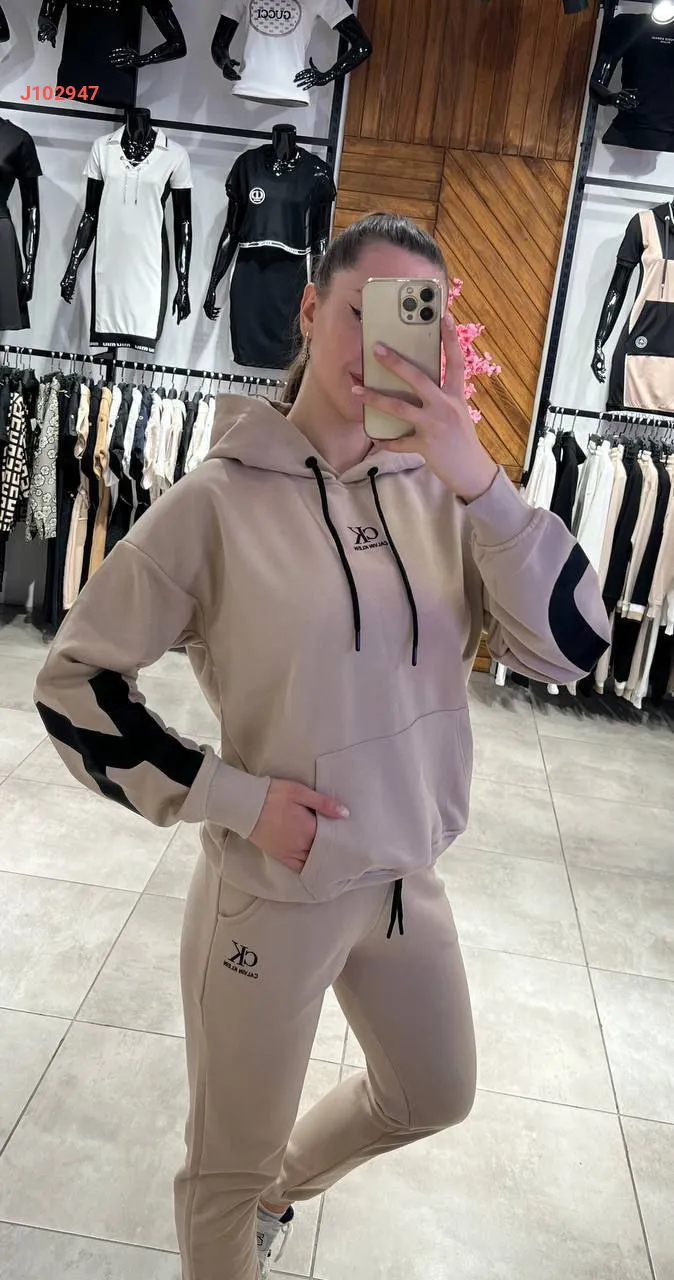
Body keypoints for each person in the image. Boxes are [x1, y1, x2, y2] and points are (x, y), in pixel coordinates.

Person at [34, 213, 610, 1280]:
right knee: (222, 1171)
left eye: (412, 320)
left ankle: (281, 1191)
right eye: (361, 312)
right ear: (309, 309)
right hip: (273, 892)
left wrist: (479, 478)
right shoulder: (216, 500)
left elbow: (574, 647)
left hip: (402, 879)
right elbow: (74, 685)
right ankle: (249, 1197)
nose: (383, 347)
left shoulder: (445, 494)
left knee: (433, 1092)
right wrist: (228, 796)